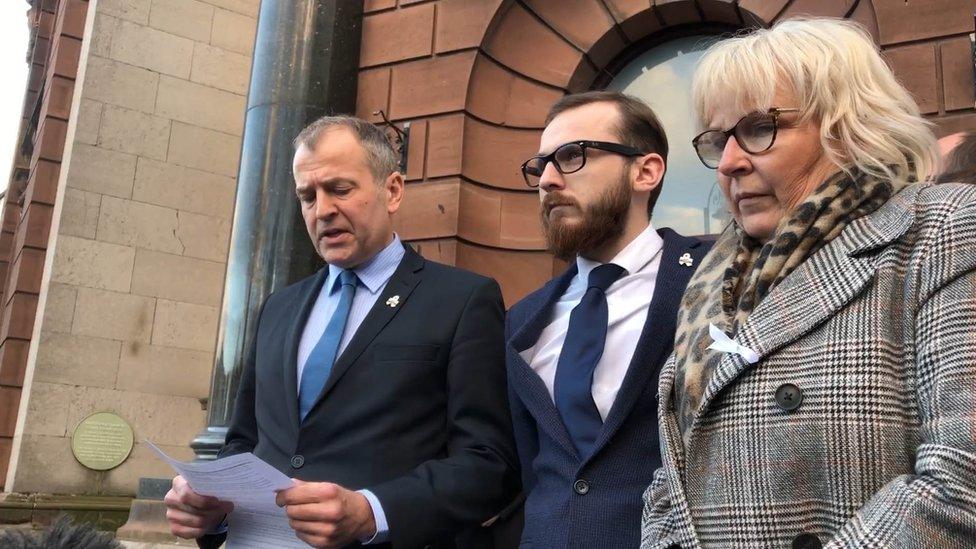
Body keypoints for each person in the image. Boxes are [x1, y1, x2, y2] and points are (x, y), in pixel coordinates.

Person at [640, 18, 976, 549]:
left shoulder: (942, 230)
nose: (728, 163)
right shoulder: (712, 280)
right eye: (716, 140)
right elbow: (671, 480)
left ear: (848, 126)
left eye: (757, 129)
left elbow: (963, 477)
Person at [164, 116, 519, 549]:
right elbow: (244, 441)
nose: (323, 209)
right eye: (307, 196)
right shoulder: (278, 308)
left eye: (340, 189)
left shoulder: (462, 300)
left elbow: (488, 464)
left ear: (392, 191)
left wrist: (372, 511)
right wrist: (211, 507)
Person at [506, 91, 711, 548]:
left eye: (572, 156)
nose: (548, 180)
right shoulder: (522, 322)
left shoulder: (717, 277)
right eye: (541, 166)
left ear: (646, 171)